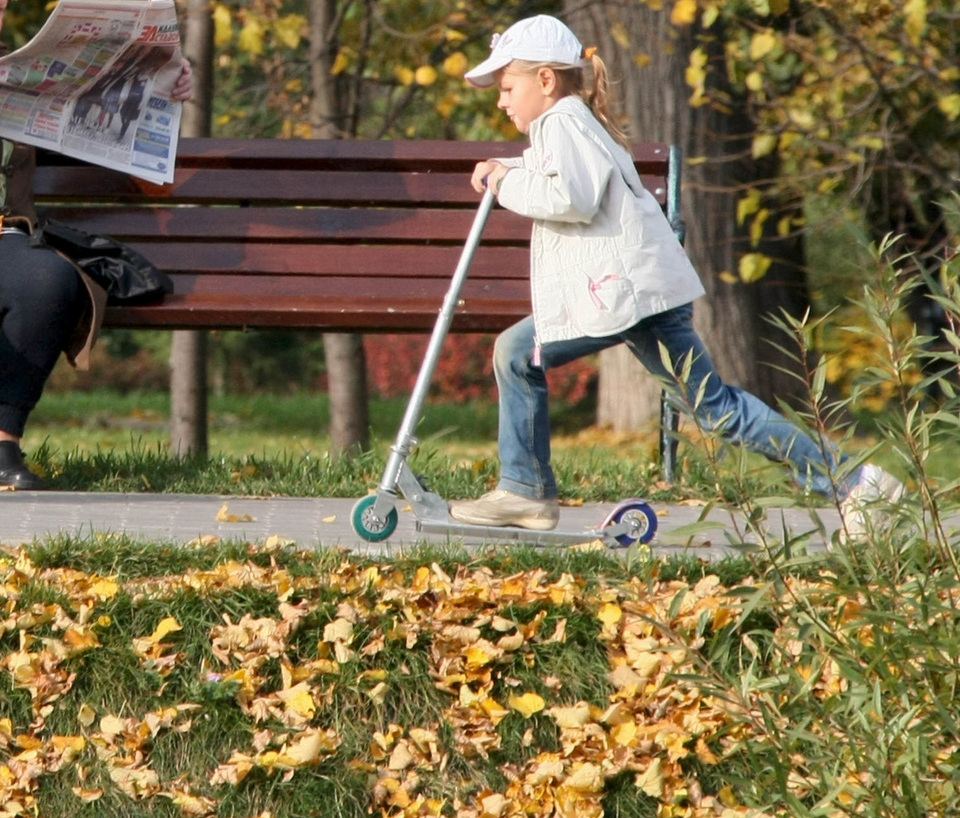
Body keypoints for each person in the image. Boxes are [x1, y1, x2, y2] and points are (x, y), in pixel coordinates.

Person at [448, 14, 903, 540]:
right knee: (528, 355)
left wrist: (505, 182)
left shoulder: (561, 121)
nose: (501, 101)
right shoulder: (569, 122)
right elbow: (563, 178)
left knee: (704, 407)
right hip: (627, 294)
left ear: (546, 81)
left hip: (628, 297)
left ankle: (855, 483)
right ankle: (525, 490)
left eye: (507, 87)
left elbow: (568, 196)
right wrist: (508, 168)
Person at [0, 0, 194, 489]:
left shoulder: (18, 71)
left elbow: (125, 156)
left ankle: (2, 445)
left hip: (5, 234)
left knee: (47, 280)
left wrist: (161, 85)